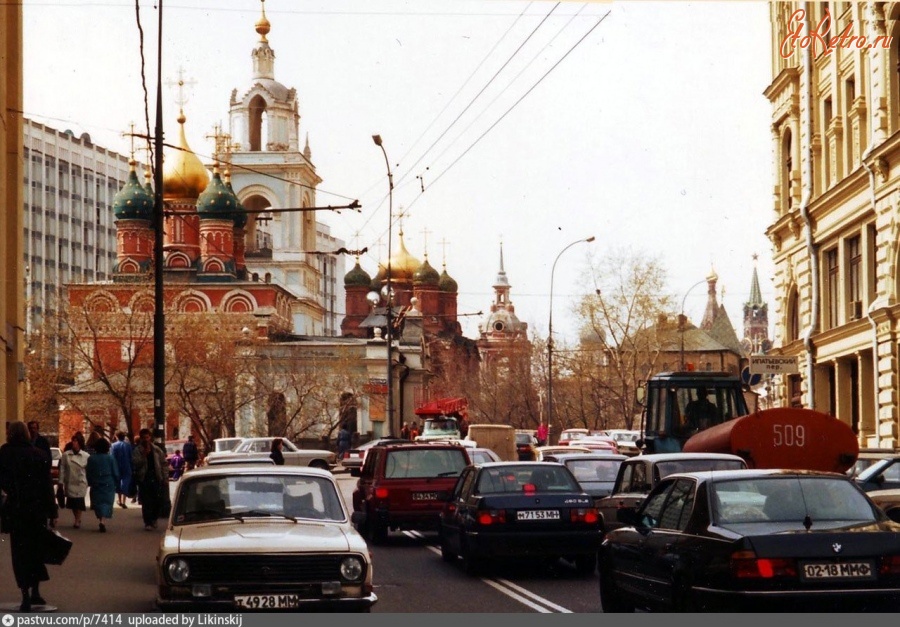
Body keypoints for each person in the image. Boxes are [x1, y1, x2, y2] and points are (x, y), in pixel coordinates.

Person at [0, 421, 59, 612]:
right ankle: (36, 590)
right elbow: (47, 486)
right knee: (36, 550)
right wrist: (53, 512)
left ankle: (25, 593)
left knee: (19, 552)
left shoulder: (4, 454)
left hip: (16, 510)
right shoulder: (38, 455)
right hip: (37, 510)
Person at [132, 428, 168, 531]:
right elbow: (135, 463)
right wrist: (144, 456)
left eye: (147, 437)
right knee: (146, 501)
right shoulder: (137, 451)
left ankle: (154, 518)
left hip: (156, 477)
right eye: (143, 438)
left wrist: (165, 477)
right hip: (144, 478)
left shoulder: (156, 450)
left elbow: (164, 463)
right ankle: (148, 522)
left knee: (157, 500)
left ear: (150, 437)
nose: (146, 440)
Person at [86, 437, 119, 532]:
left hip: (96, 482)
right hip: (108, 482)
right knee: (107, 502)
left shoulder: (91, 458)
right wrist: (116, 482)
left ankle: (101, 519)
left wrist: (90, 481)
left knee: (98, 502)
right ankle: (103, 520)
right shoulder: (110, 458)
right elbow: (115, 472)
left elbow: (89, 472)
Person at [59, 432, 90, 529]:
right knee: (72, 502)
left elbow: (88, 469)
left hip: (81, 481)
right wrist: (61, 481)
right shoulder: (66, 455)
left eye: (76, 441)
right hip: (70, 480)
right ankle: (76, 517)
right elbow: (62, 468)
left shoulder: (86, 456)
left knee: (79, 501)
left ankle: (77, 519)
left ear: (80, 443)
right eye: (73, 441)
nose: (74, 443)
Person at [110, 431, 133, 509]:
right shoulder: (128, 445)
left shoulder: (113, 445)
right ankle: (124, 501)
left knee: (118, 483)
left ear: (116, 436)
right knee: (125, 483)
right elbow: (131, 457)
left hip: (117, 466)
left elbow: (112, 457)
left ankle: (119, 500)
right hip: (127, 466)